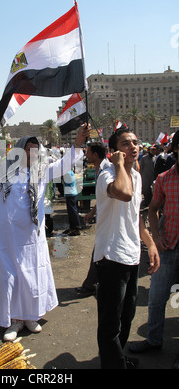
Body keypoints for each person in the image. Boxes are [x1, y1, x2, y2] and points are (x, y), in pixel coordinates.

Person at [0, 124, 91, 342]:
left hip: (31, 238)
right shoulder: (0, 172)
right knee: (9, 278)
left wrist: (78, 141)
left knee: (32, 276)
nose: (33, 153)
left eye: (36, 149)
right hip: (6, 239)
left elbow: (64, 164)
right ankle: (15, 320)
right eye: (28, 149)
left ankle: (31, 317)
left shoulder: (42, 171)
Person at [94, 126, 160, 369]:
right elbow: (123, 194)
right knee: (110, 322)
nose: (133, 146)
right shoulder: (107, 175)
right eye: (125, 144)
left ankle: (116, 359)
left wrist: (150, 243)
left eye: (135, 142)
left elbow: (135, 217)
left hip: (131, 256)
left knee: (127, 316)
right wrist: (119, 165)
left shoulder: (137, 176)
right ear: (114, 152)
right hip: (111, 256)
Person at [129, 130, 179, 366]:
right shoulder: (165, 178)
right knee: (157, 299)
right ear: (176, 149)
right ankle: (154, 339)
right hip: (167, 246)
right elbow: (152, 209)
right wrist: (155, 237)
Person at [76, 141, 109, 298]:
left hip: (110, 222)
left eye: (88, 152)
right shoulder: (98, 169)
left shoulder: (108, 170)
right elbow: (102, 198)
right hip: (103, 220)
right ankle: (93, 284)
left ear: (95, 155)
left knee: (99, 253)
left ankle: (90, 285)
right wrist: (92, 212)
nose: (85, 155)